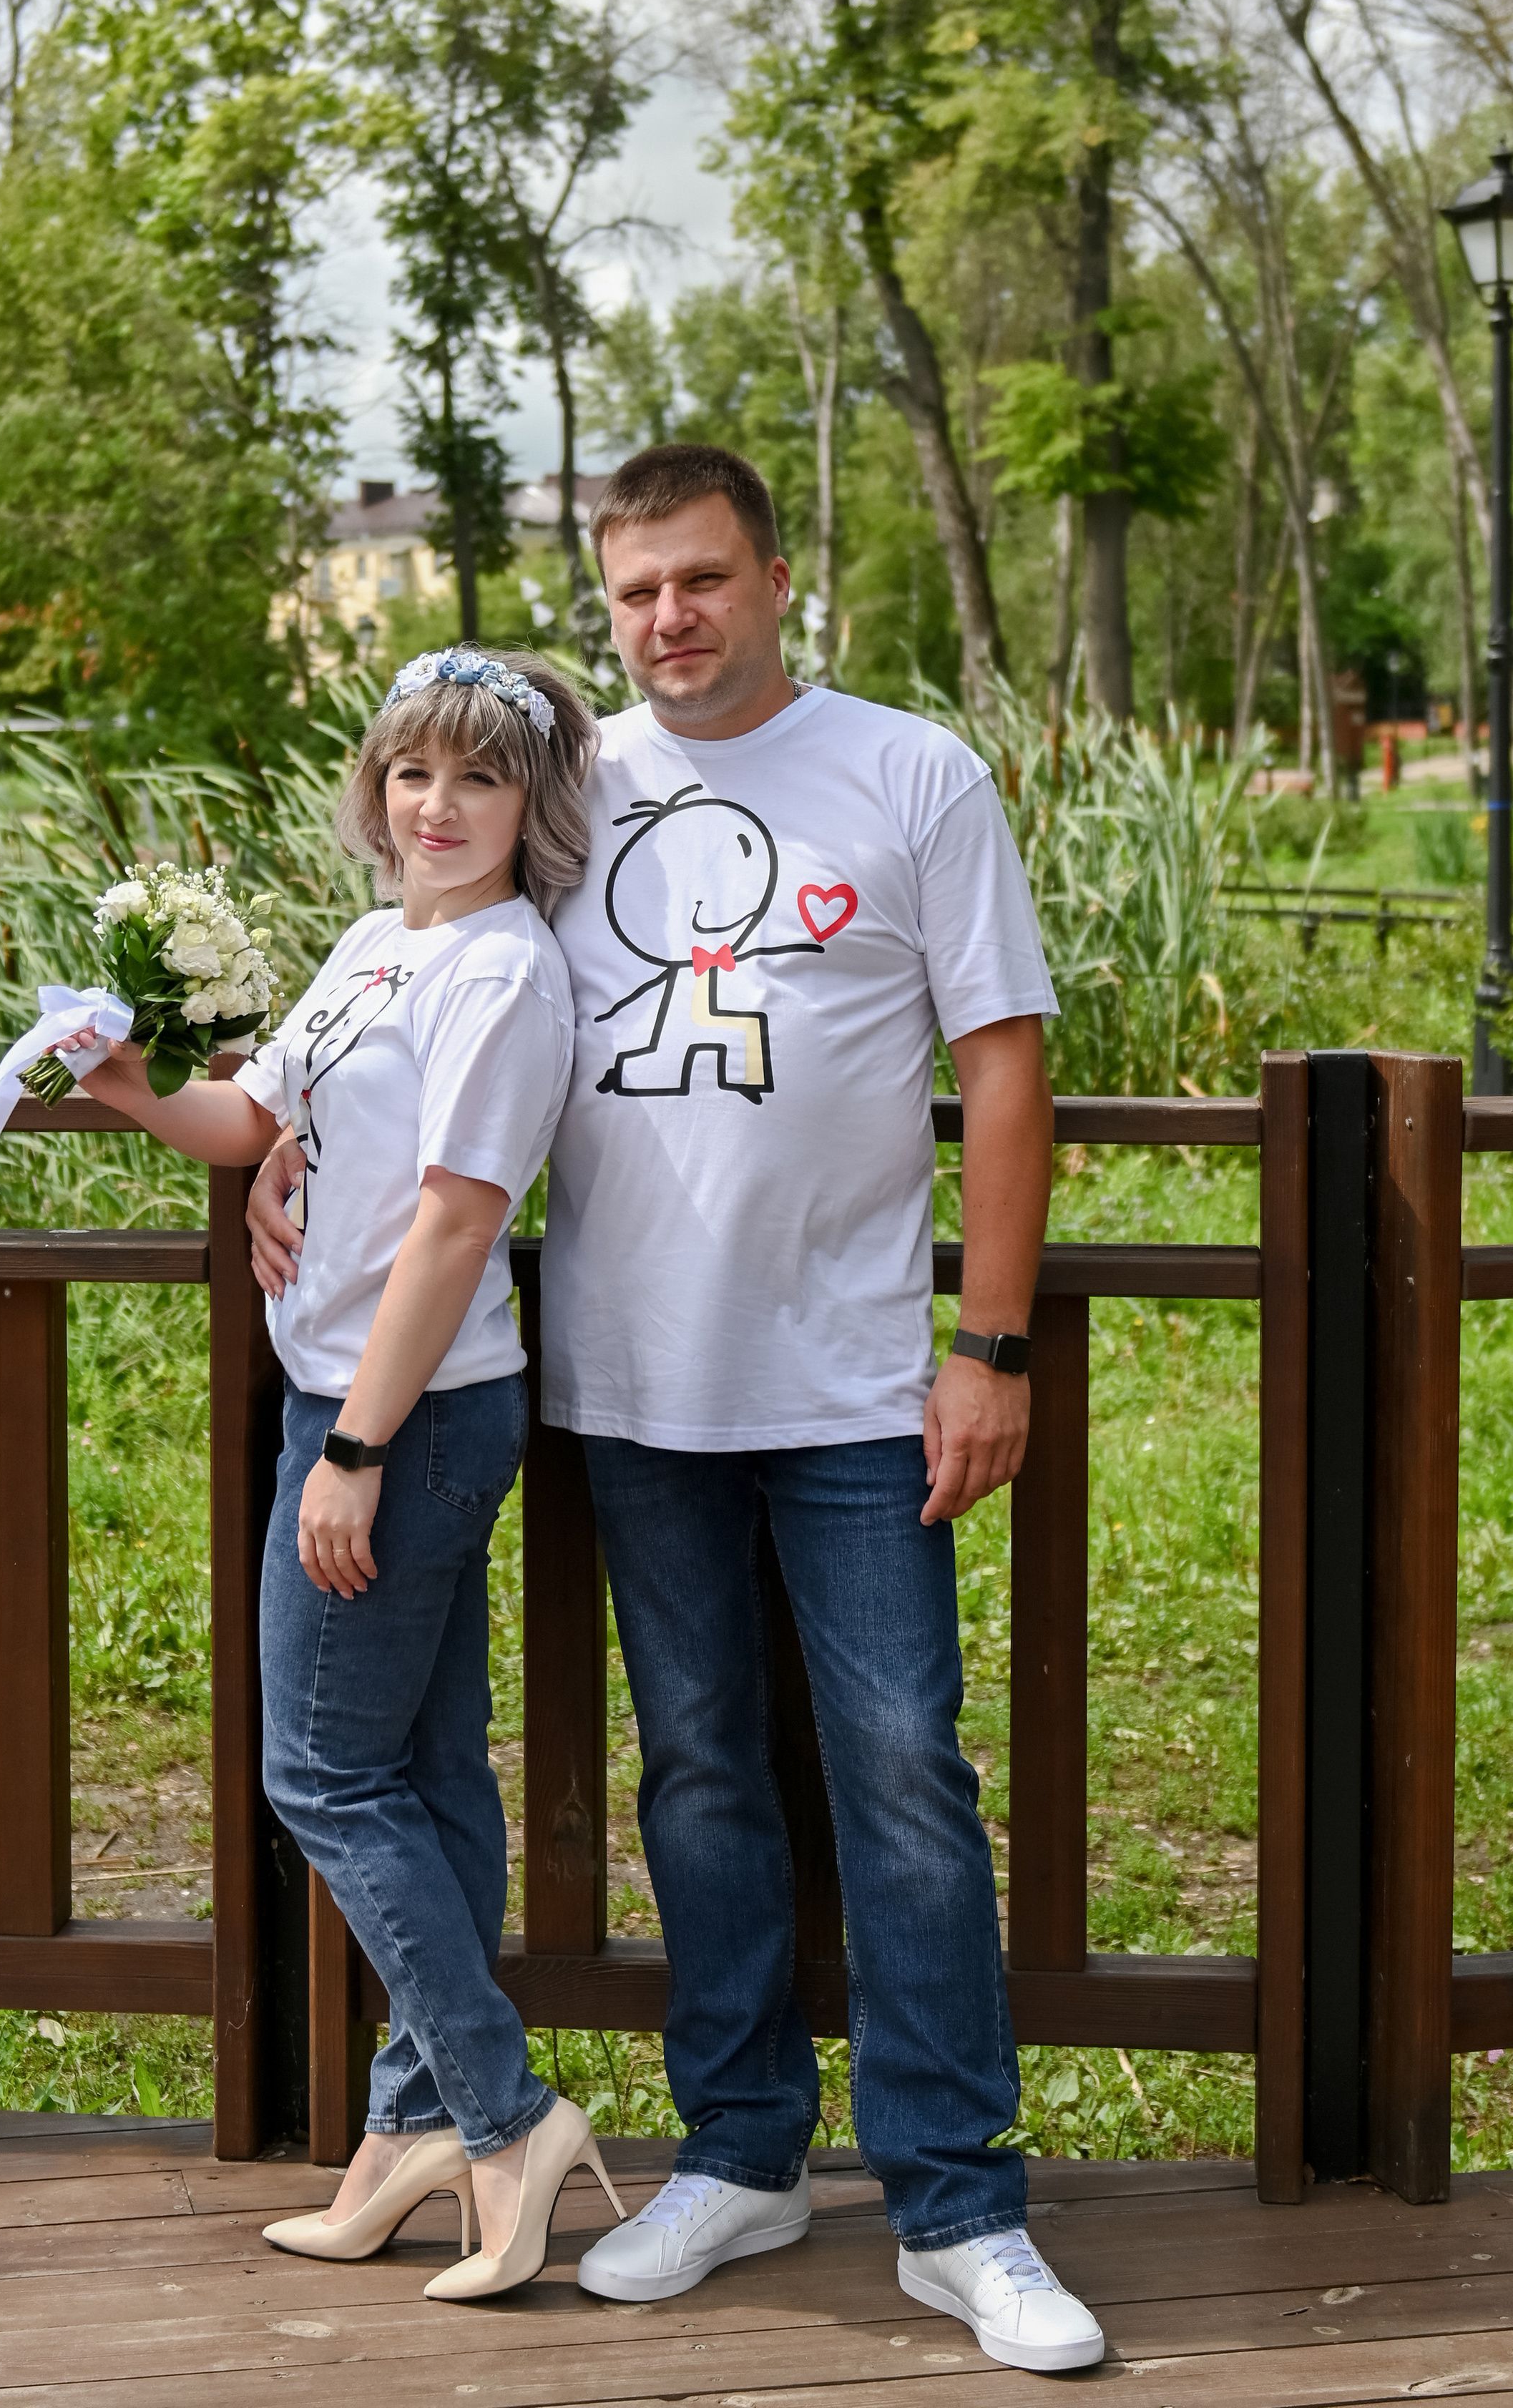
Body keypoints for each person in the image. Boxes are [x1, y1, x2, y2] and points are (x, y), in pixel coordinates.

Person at [250, 447, 1105, 2376]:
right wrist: (280, 1147)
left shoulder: (911, 776)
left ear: (776, 579)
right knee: (699, 1772)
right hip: (631, 1385)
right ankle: (739, 2154)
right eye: (635, 591)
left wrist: (989, 1346)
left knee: (901, 1776)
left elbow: (1004, 1061)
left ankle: (959, 2203)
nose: (668, 620)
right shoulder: (568, 786)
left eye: (702, 579)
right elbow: (418, 995)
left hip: (855, 1382)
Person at [55, 645, 625, 2303]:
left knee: (320, 1773)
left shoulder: (503, 975)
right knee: (427, 1779)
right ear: (376, 791)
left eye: (478, 777)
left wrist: (356, 1450)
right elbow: (256, 1118)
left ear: (531, 803)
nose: (436, 806)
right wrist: (129, 1087)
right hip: (357, 1401)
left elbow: (455, 1221)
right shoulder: (380, 944)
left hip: (408, 1416)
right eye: (410, 773)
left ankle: (506, 2115)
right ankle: (407, 2136)